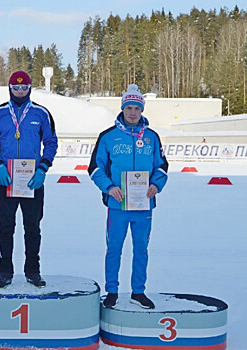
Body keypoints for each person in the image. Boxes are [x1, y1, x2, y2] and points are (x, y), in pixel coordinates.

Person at [88, 84, 168, 309]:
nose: (132, 112)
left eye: (137, 108)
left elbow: (162, 167)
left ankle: (138, 291)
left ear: (142, 110)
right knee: (114, 249)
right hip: (117, 205)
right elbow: (95, 168)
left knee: (141, 249)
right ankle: (111, 290)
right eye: (129, 108)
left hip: (143, 206)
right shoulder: (108, 137)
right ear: (122, 109)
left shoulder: (152, 137)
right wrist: (109, 187)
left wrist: (155, 185)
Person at [0, 71, 58, 288]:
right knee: (5, 227)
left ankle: (33, 270)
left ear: (31, 88)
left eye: (24, 88)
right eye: (16, 87)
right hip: (6, 180)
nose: (20, 91)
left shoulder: (41, 113)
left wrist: (43, 167)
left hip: (33, 180)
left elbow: (51, 142)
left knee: (32, 227)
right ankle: (4, 271)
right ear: (9, 88)